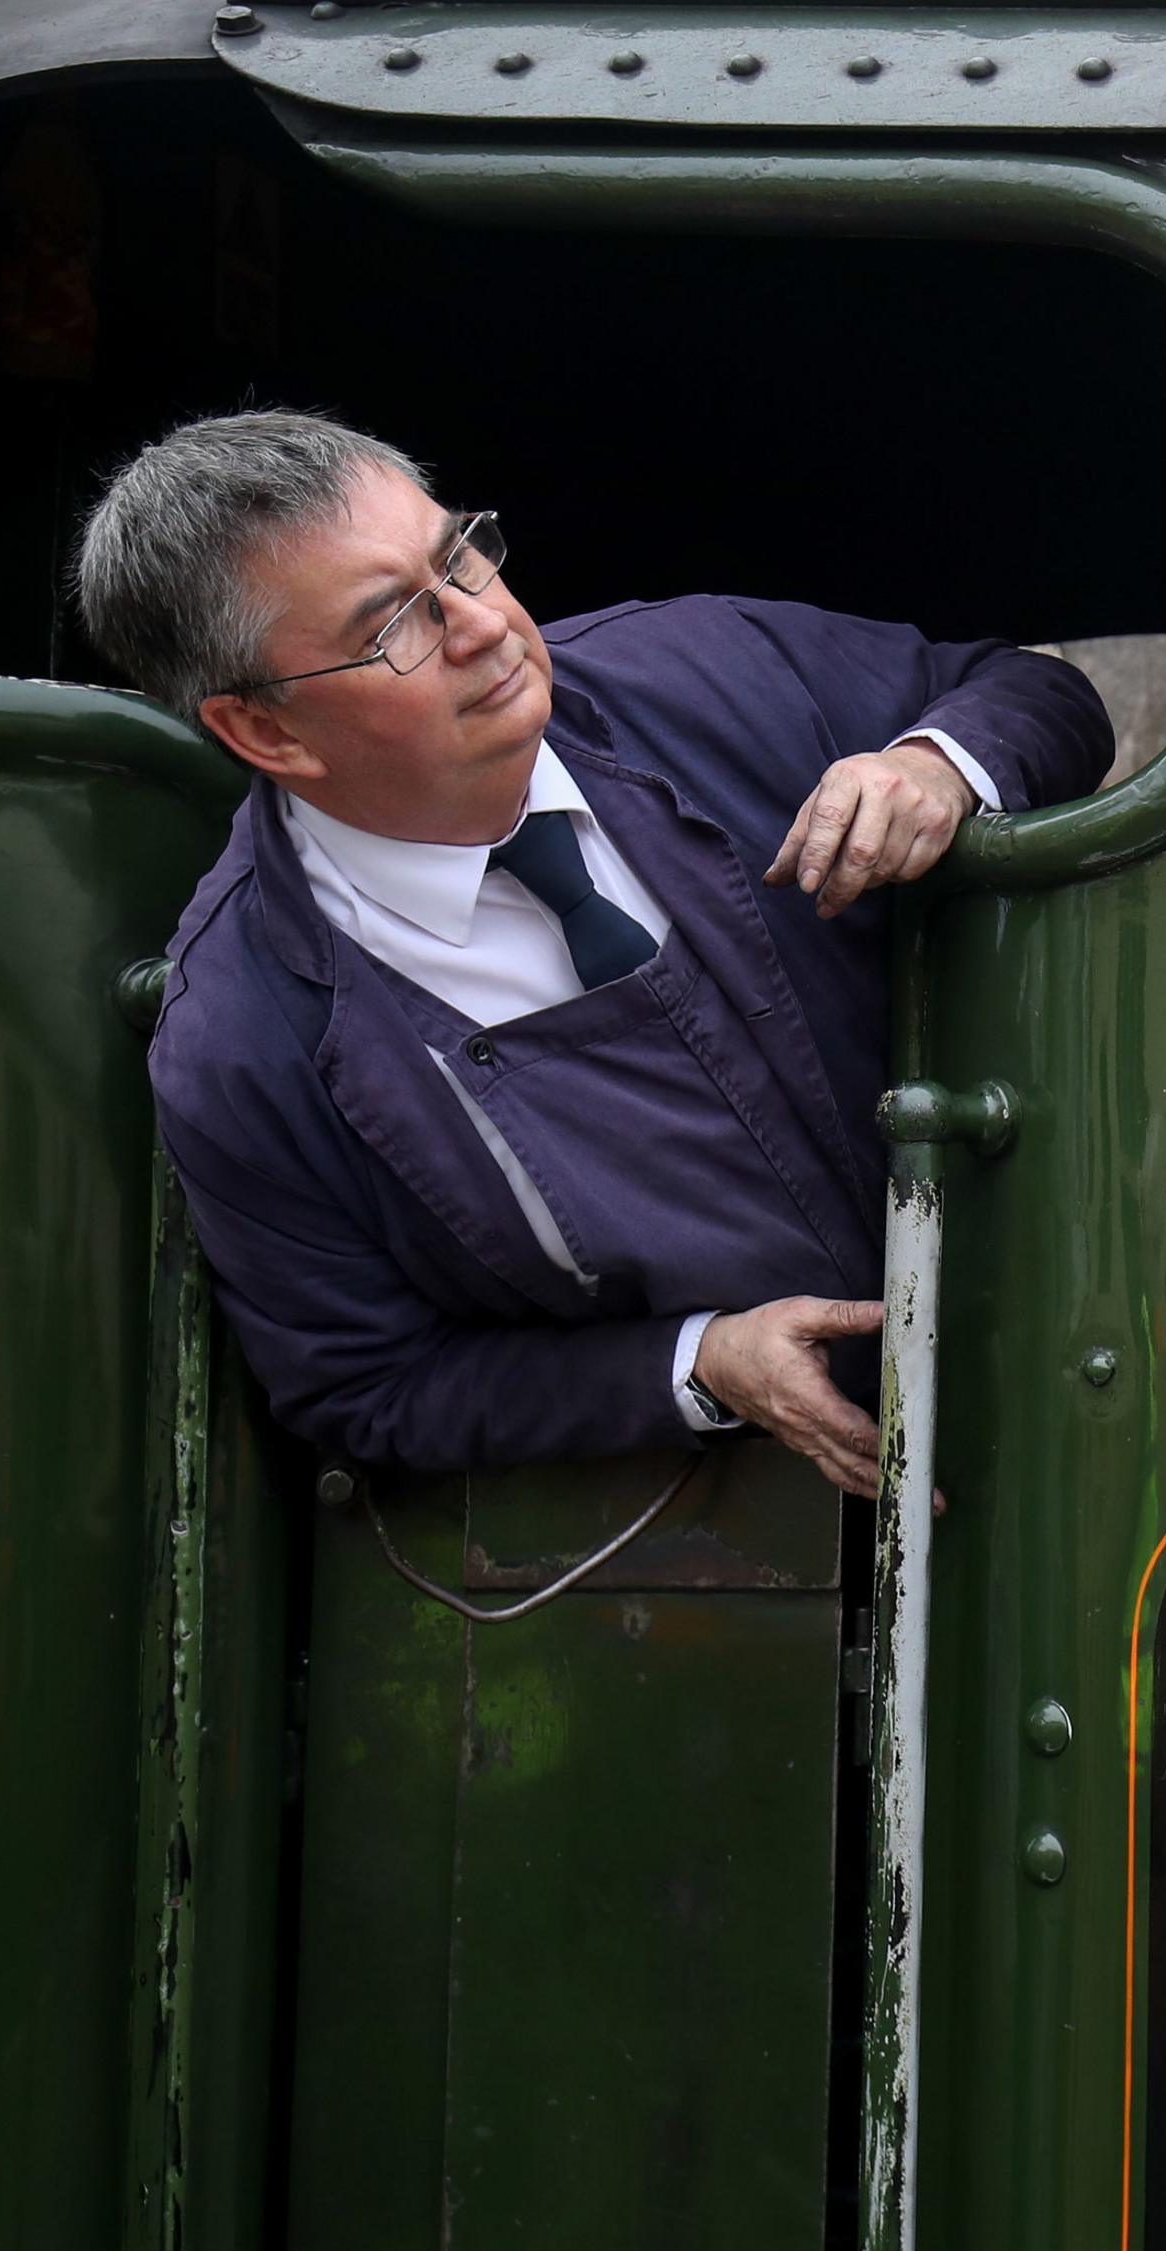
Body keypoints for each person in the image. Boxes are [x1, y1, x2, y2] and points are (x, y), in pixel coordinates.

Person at [84, 412, 1113, 1490]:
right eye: (395, 625)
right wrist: (696, 1364)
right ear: (265, 734)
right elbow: (366, 1389)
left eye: (461, 556)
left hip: (1081, 1358)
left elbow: (1038, 692)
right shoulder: (239, 1041)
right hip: (752, 1561)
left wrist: (937, 764)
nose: (480, 624)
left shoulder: (707, 666)